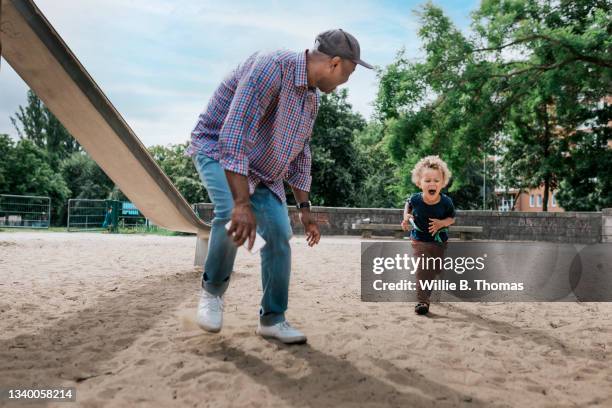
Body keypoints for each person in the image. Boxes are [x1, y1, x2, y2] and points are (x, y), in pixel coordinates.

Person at [187, 29, 372, 343]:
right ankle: (212, 293)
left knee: (278, 235)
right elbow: (234, 133)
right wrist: (242, 204)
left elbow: (300, 153)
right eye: (349, 73)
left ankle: (272, 319)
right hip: (217, 149)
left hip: (261, 169)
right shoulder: (271, 66)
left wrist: (304, 209)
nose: (346, 82)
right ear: (335, 63)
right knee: (230, 213)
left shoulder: (311, 100)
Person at [401, 156, 455, 315]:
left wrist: (441, 223)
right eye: (427, 180)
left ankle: (429, 288)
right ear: (419, 182)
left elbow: (451, 218)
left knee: (435, 270)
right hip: (419, 239)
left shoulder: (446, 202)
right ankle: (422, 301)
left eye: (436, 180)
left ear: (443, 182)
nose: (432, 183)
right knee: (423, 269)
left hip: (439, 241)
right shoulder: (416, 199)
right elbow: (408, 204)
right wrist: (406, 217)